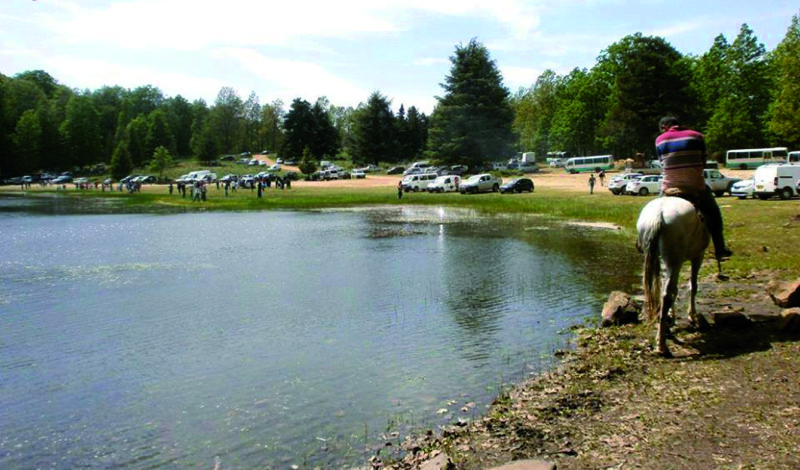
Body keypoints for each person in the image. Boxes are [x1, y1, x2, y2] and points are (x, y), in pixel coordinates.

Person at [656, 116, 732, 259]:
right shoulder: (697, 136)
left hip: (670, 185)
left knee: (655, 210)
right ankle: (720, 249)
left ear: (665, 126)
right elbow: (702, 162)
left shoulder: (660, 140)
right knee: (714, 215)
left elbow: (662, 163)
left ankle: (643, 243)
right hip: (695, 186)